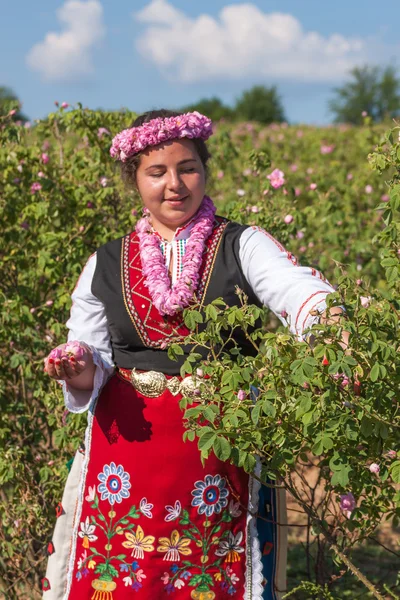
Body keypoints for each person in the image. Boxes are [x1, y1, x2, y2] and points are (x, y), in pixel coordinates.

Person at [42, 110, 346, 600]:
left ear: (204, 171)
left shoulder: (242, 245)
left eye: (188, 168)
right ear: (134, 180)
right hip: (126, 456)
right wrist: (75, 368)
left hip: (218, 452)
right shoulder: (104, 261)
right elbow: (91, 357)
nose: (175, 185)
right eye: (156, 172)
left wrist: (330, 322)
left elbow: (297, 291)